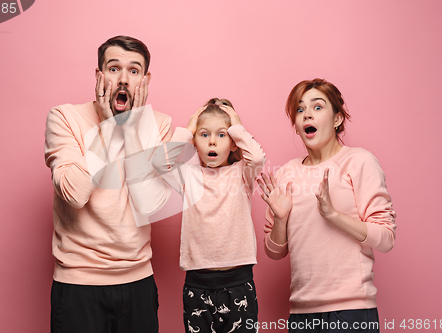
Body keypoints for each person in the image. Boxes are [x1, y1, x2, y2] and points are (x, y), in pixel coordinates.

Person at [44, 35, 172, 333]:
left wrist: (130, 130)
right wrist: (106, 128)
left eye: (134, 70)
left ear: (145, 80)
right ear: (99, 75)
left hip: (138, 282)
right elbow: (74, 194)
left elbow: (150, 204)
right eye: (114, 69)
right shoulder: (64, 117)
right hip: (78, 284)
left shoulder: (159, 124)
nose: (124, 79)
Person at [257, 79, 396, 333]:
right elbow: (274, 252)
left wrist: (333, 215)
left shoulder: (359, 161)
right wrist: (280, 219)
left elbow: (386, 238)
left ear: (337, 119)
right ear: (297, 126)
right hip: (301, 314)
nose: (307, 114)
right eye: (300, 110)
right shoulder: (287, 172)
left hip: (352, 313)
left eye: (317, 107)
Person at [143, 99, 265, 333]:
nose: (212, 141)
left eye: (221, 135)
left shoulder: (242, 174)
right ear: (195, 143)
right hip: (198, 285)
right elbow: (158, 163)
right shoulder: (188, 175)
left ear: (233, 143)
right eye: (203, 134)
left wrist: (238, 128)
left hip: (239, 282)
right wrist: (187, 130)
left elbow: (257, 158)